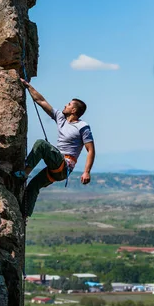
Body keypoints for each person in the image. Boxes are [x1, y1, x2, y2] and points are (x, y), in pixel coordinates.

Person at [18, 78, 95, 217]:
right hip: (56, 167)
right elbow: (41, 101)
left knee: (41, 144)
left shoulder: (82, 127)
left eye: (69, 104)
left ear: (74, 110)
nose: (65, 105)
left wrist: (86, 172)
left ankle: (24, 173)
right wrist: (28, 86)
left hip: (64, 166)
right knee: (32, 187)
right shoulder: (61, 118)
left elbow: (91, 150)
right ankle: (24, 216)